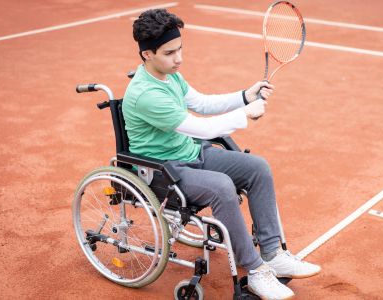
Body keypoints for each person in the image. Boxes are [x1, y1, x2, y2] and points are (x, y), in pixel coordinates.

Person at [123, 8, 321, 300]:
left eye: (180, 49)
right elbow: (199, 127)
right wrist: (244, 114)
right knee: (222, 187)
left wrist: (245, 95)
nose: (178, 58)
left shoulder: (170, 76)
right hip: (163, 172)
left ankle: (272, 253)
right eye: (169, 53)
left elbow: (201, 104)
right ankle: (255, 272)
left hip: (189, 154)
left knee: (257, 168)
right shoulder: (147, 95)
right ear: (147, 55)